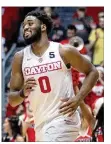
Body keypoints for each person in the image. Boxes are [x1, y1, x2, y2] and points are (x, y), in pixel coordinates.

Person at [8, 10, 99, 142]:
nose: (25, 27)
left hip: (64, 119)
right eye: (23, 25)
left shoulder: (63, 51)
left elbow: (93, 72)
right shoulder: (20, 57)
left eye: (30, 23)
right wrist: (22, 93)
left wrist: (78, 98)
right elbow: (12, 99)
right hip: (40, 122)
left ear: (43, 27)